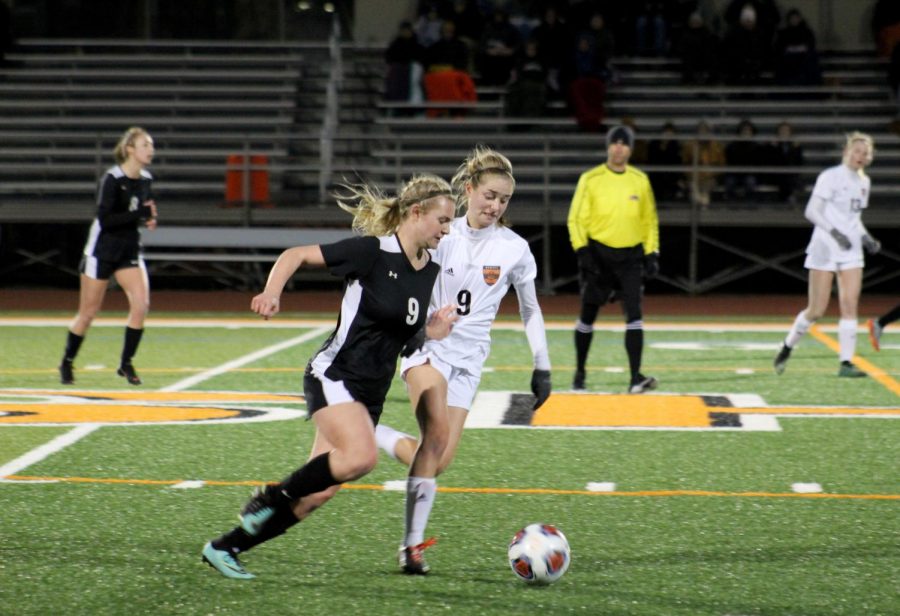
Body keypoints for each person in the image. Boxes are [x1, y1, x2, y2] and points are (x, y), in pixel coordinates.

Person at [201, 174, 458, 580]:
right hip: (334, 375)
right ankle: (268, 497)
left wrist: (430, 331)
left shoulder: (429, 270)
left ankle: (226, 546)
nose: (447, 230)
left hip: (369, 396)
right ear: (416, 212)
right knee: (361, 457)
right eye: (443, 221)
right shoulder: (372, 252)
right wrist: (272, 292)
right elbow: (294, 255)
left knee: (316, 493)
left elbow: (400, 333)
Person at [375, 146, 552, 574]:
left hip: (470, 361)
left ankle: (369, 431)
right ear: (468, 189)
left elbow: (531, 309)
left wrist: (542, 365)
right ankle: (411, 548)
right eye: (489, 195)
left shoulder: (514, 249)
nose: (495, 206)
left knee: (438, 456)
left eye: (504, 200)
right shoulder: (441, 233)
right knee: (434, 433)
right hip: (427, 349)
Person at [773, 132, 882, 378]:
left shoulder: (864, 182)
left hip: (851, 250)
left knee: (850, 305)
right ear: (846, 151)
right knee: (816, 310)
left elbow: (855, 220)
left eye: (866, 153)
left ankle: (846, 363)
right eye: (857, 151)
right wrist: (834, 233)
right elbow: (811, 211)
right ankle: (787, 346)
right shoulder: (830, 177)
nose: (861, 156)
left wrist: (866, 238)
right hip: (825, 246)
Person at [58, 126, 158, 386]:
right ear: (129, 149)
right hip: (102, 250)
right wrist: (140, 216)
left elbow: (142, 211)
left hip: (128, 249)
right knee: (88, 313)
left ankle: (125, 363)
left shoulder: (146, 179)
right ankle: (67, 361)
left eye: (151, 145)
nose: (151, 150)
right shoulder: (112, 179)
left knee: (141, 305)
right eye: (145, 145)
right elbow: (106, 219)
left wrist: (149, 219)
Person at [568, 124, 660, 393]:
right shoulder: (591, 178)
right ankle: (580, 374)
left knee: (635, 315)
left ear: (630, 148)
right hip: (598, 255)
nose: (619, 147)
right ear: (608, 146)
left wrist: (652, 252)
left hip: (631, 257)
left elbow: (649, 220)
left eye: (624, 143)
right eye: (615, 142)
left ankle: (635, 378)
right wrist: (582, 250)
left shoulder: (640, 180)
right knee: (588, 314)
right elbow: (576, 218)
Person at [681, 119, 725, 208]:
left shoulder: (716, 146)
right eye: (701, 130)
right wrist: (692, 174)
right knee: (693, 186)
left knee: (706, 187)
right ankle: (699, 204)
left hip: (711, 178)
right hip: (694, 177)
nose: (703, 132)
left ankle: (703, 205)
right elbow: (685, 164)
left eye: (705, 130)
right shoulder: (690, 145)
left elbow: (721, 165)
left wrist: (711, 173)